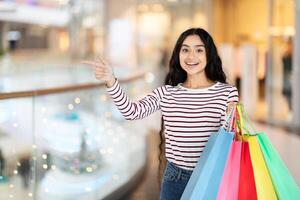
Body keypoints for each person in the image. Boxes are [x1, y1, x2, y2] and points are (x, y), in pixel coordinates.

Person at [82, 28, 239, 200]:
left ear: (209, 55)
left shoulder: (227, 93)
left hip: (211, 176)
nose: (191, 56)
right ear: (178, 54)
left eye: (199, 50)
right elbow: (131, 112)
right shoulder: (166, 93)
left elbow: (230, 138)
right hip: (175, 179)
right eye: (185, 49)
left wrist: (233, 120)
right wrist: (111, 80)